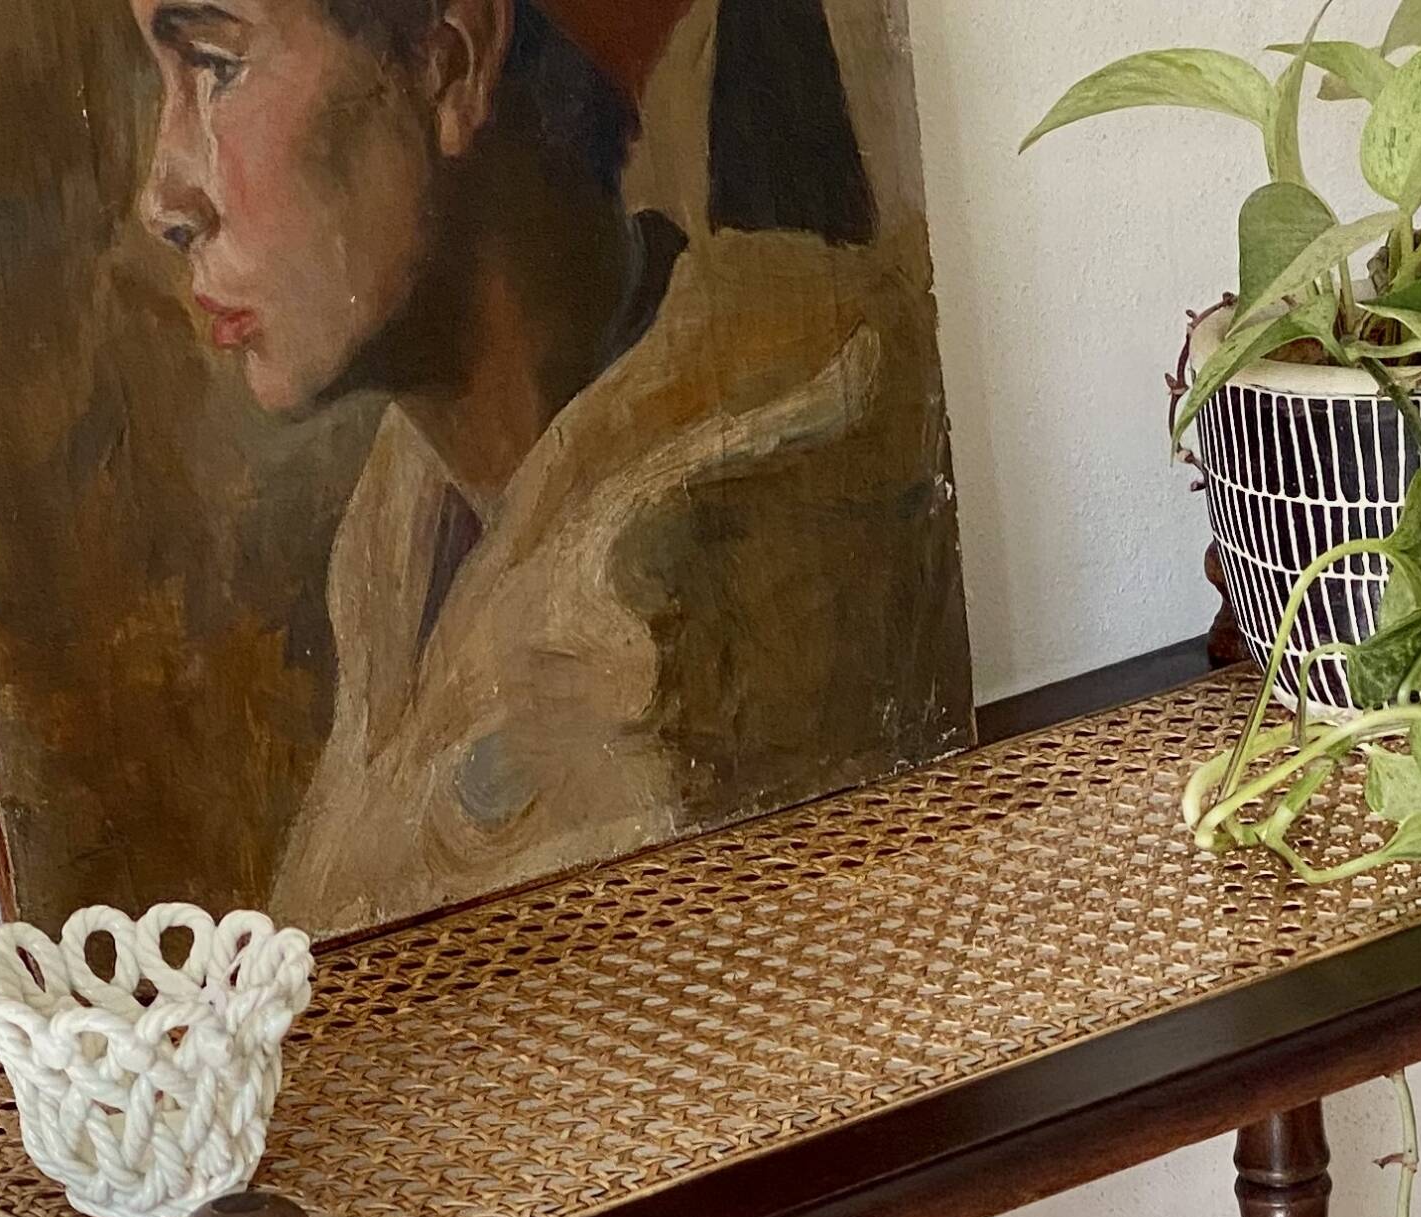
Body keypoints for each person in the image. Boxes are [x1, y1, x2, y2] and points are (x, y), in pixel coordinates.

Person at [129, 0, 966, 929]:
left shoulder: (646, 645)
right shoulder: (407, 532)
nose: (164, 198)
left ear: (450, 63)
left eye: (216, 65)